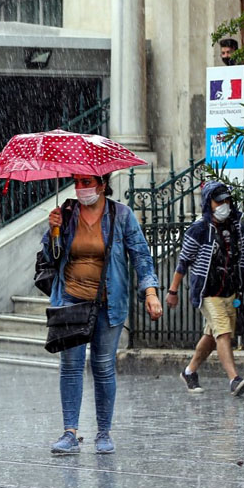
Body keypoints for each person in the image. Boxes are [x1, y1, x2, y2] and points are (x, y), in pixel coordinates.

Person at [44, 175, 162, 455]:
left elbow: (141, 256)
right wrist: (53, 231)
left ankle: (103, 432)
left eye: (87, 181)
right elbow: (51, 256)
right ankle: (70, 432)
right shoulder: (67, 213)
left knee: (103, 366)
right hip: (70, 301)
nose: (81, 188)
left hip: (109, 303)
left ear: (102, 184)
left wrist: (151, 292)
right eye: (77, 181)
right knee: (70, 366)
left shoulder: (121, 215)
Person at [166, 181, 244, 397]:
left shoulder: (237, 227)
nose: (224, 205)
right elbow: (183, 262)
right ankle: (234, 379)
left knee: (212, 336)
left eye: (226, 200)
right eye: (218, 201)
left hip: (230, 291)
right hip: (208, 292)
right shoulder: (199, 230)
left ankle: (189, 371)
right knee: (223, 332)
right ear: (208, 203)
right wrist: (173, 291)